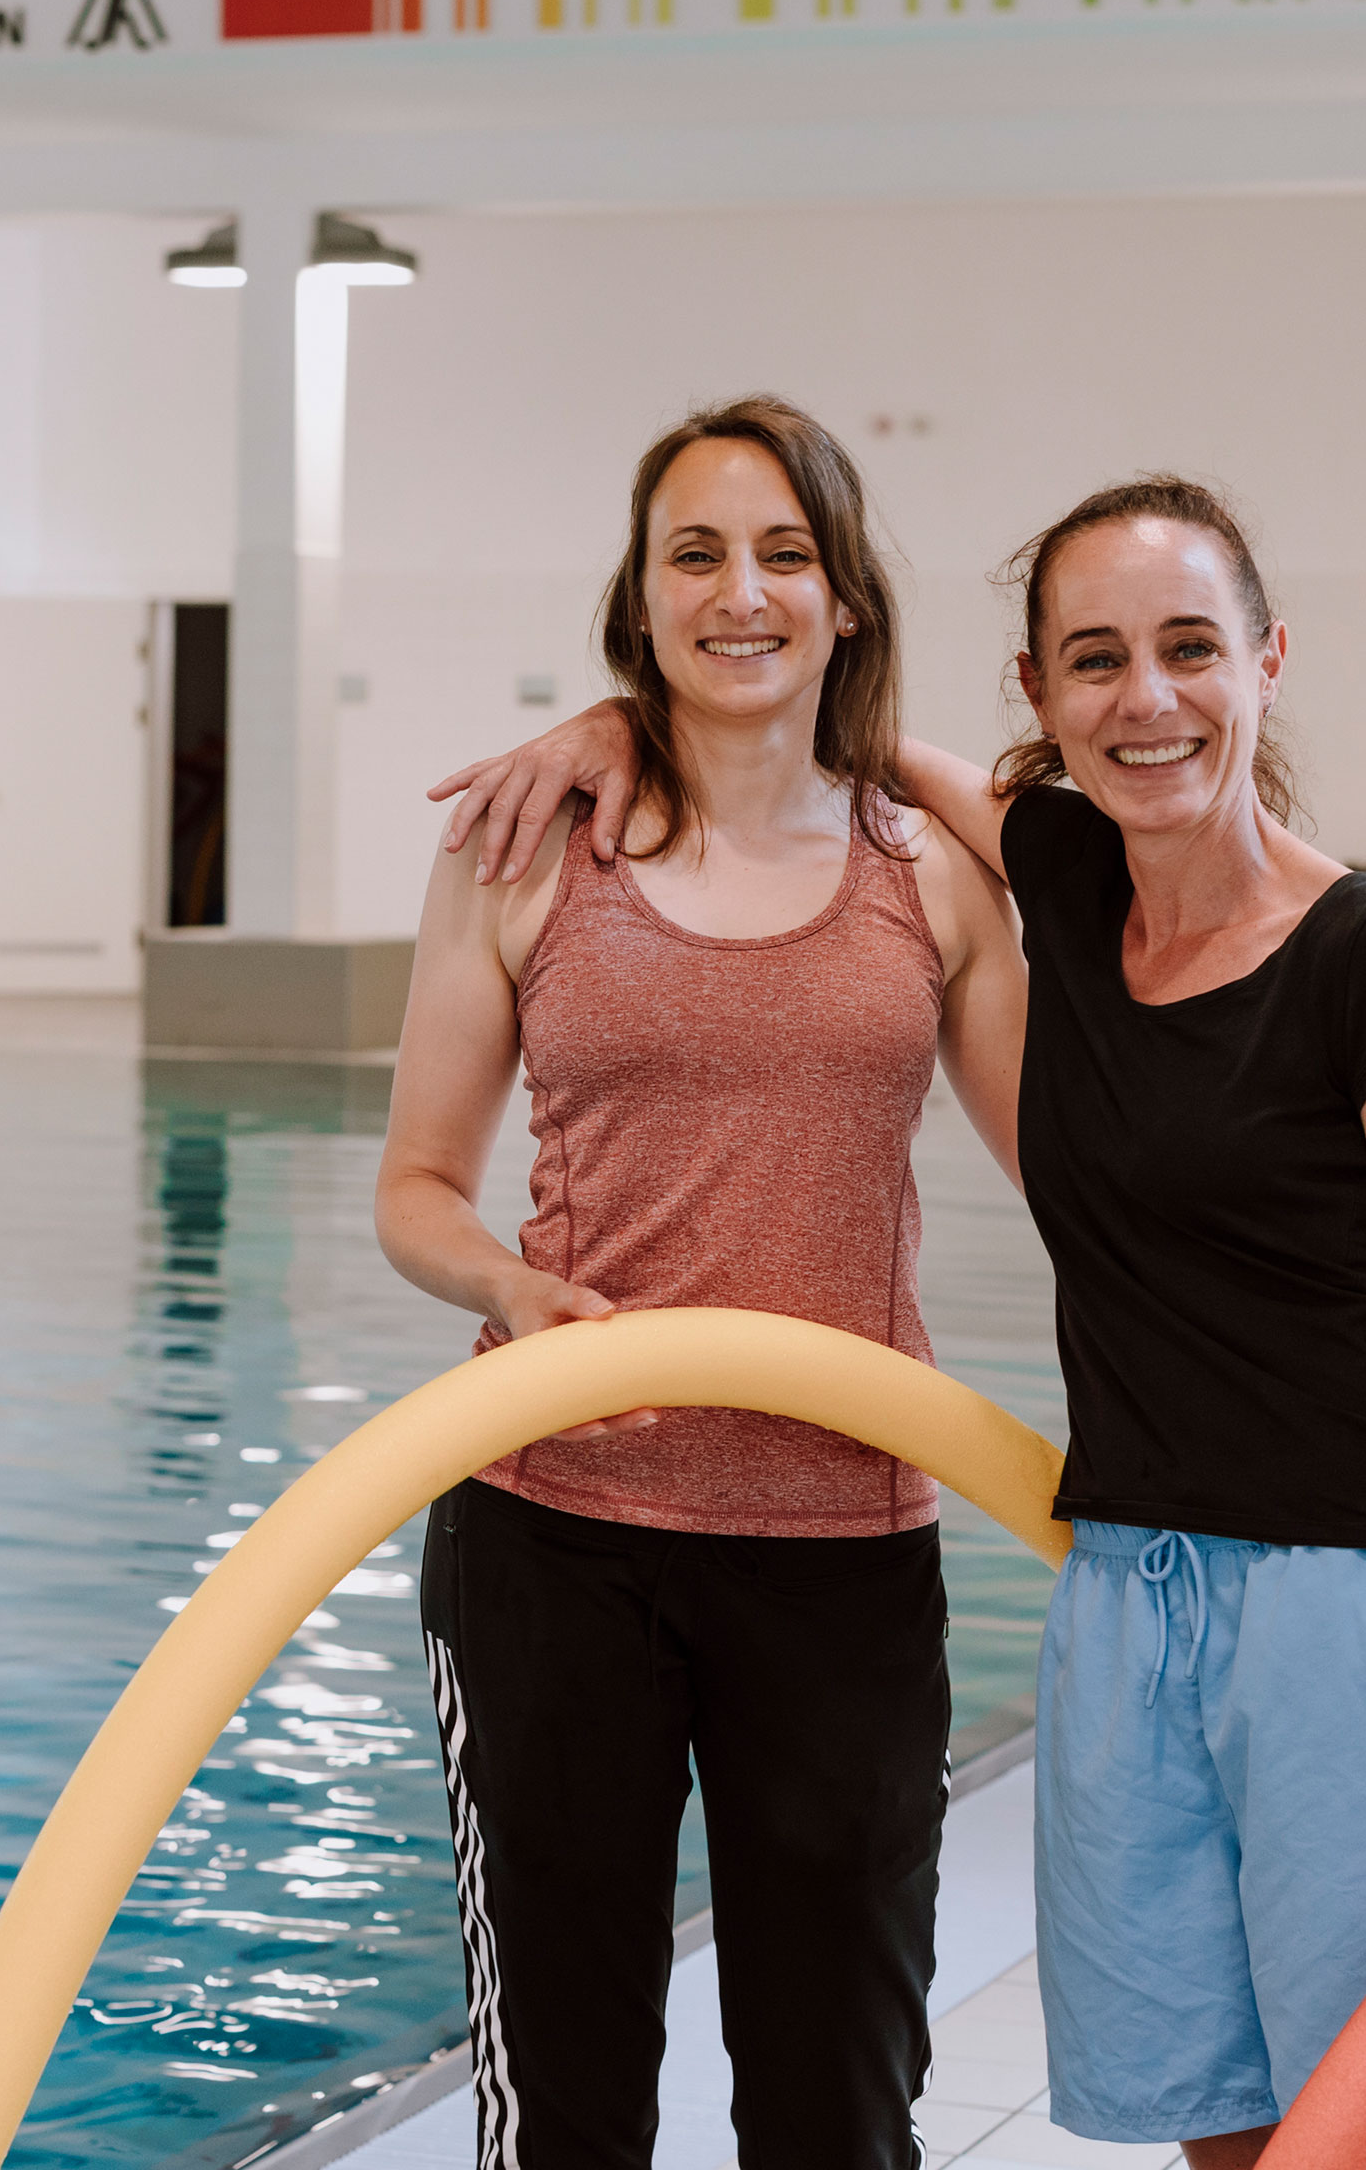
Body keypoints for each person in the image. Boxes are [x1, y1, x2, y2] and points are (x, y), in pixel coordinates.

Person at [432, 474, 1366, 2168]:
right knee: (1234, 2128)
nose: (1146, 702)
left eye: (1190, 649)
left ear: (1269, 660)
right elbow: (829, 744)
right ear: (1039, 696)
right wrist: (620, 726)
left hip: (1353, 1610)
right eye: (1097, 661)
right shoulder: (1066, 884)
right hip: (1137, 1605)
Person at [374, 396, 1024, 2170]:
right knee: (570, 2115)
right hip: (556, 1538)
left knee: (837, 2113)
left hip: (845, 1560)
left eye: (785, 553)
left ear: (846, 598)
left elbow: (1079, 1181)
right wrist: (507, 1293)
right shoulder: (521, 856)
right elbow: (416, 1192)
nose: (742, 592)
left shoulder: (933, 877)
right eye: (697, 553)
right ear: (640, 600)